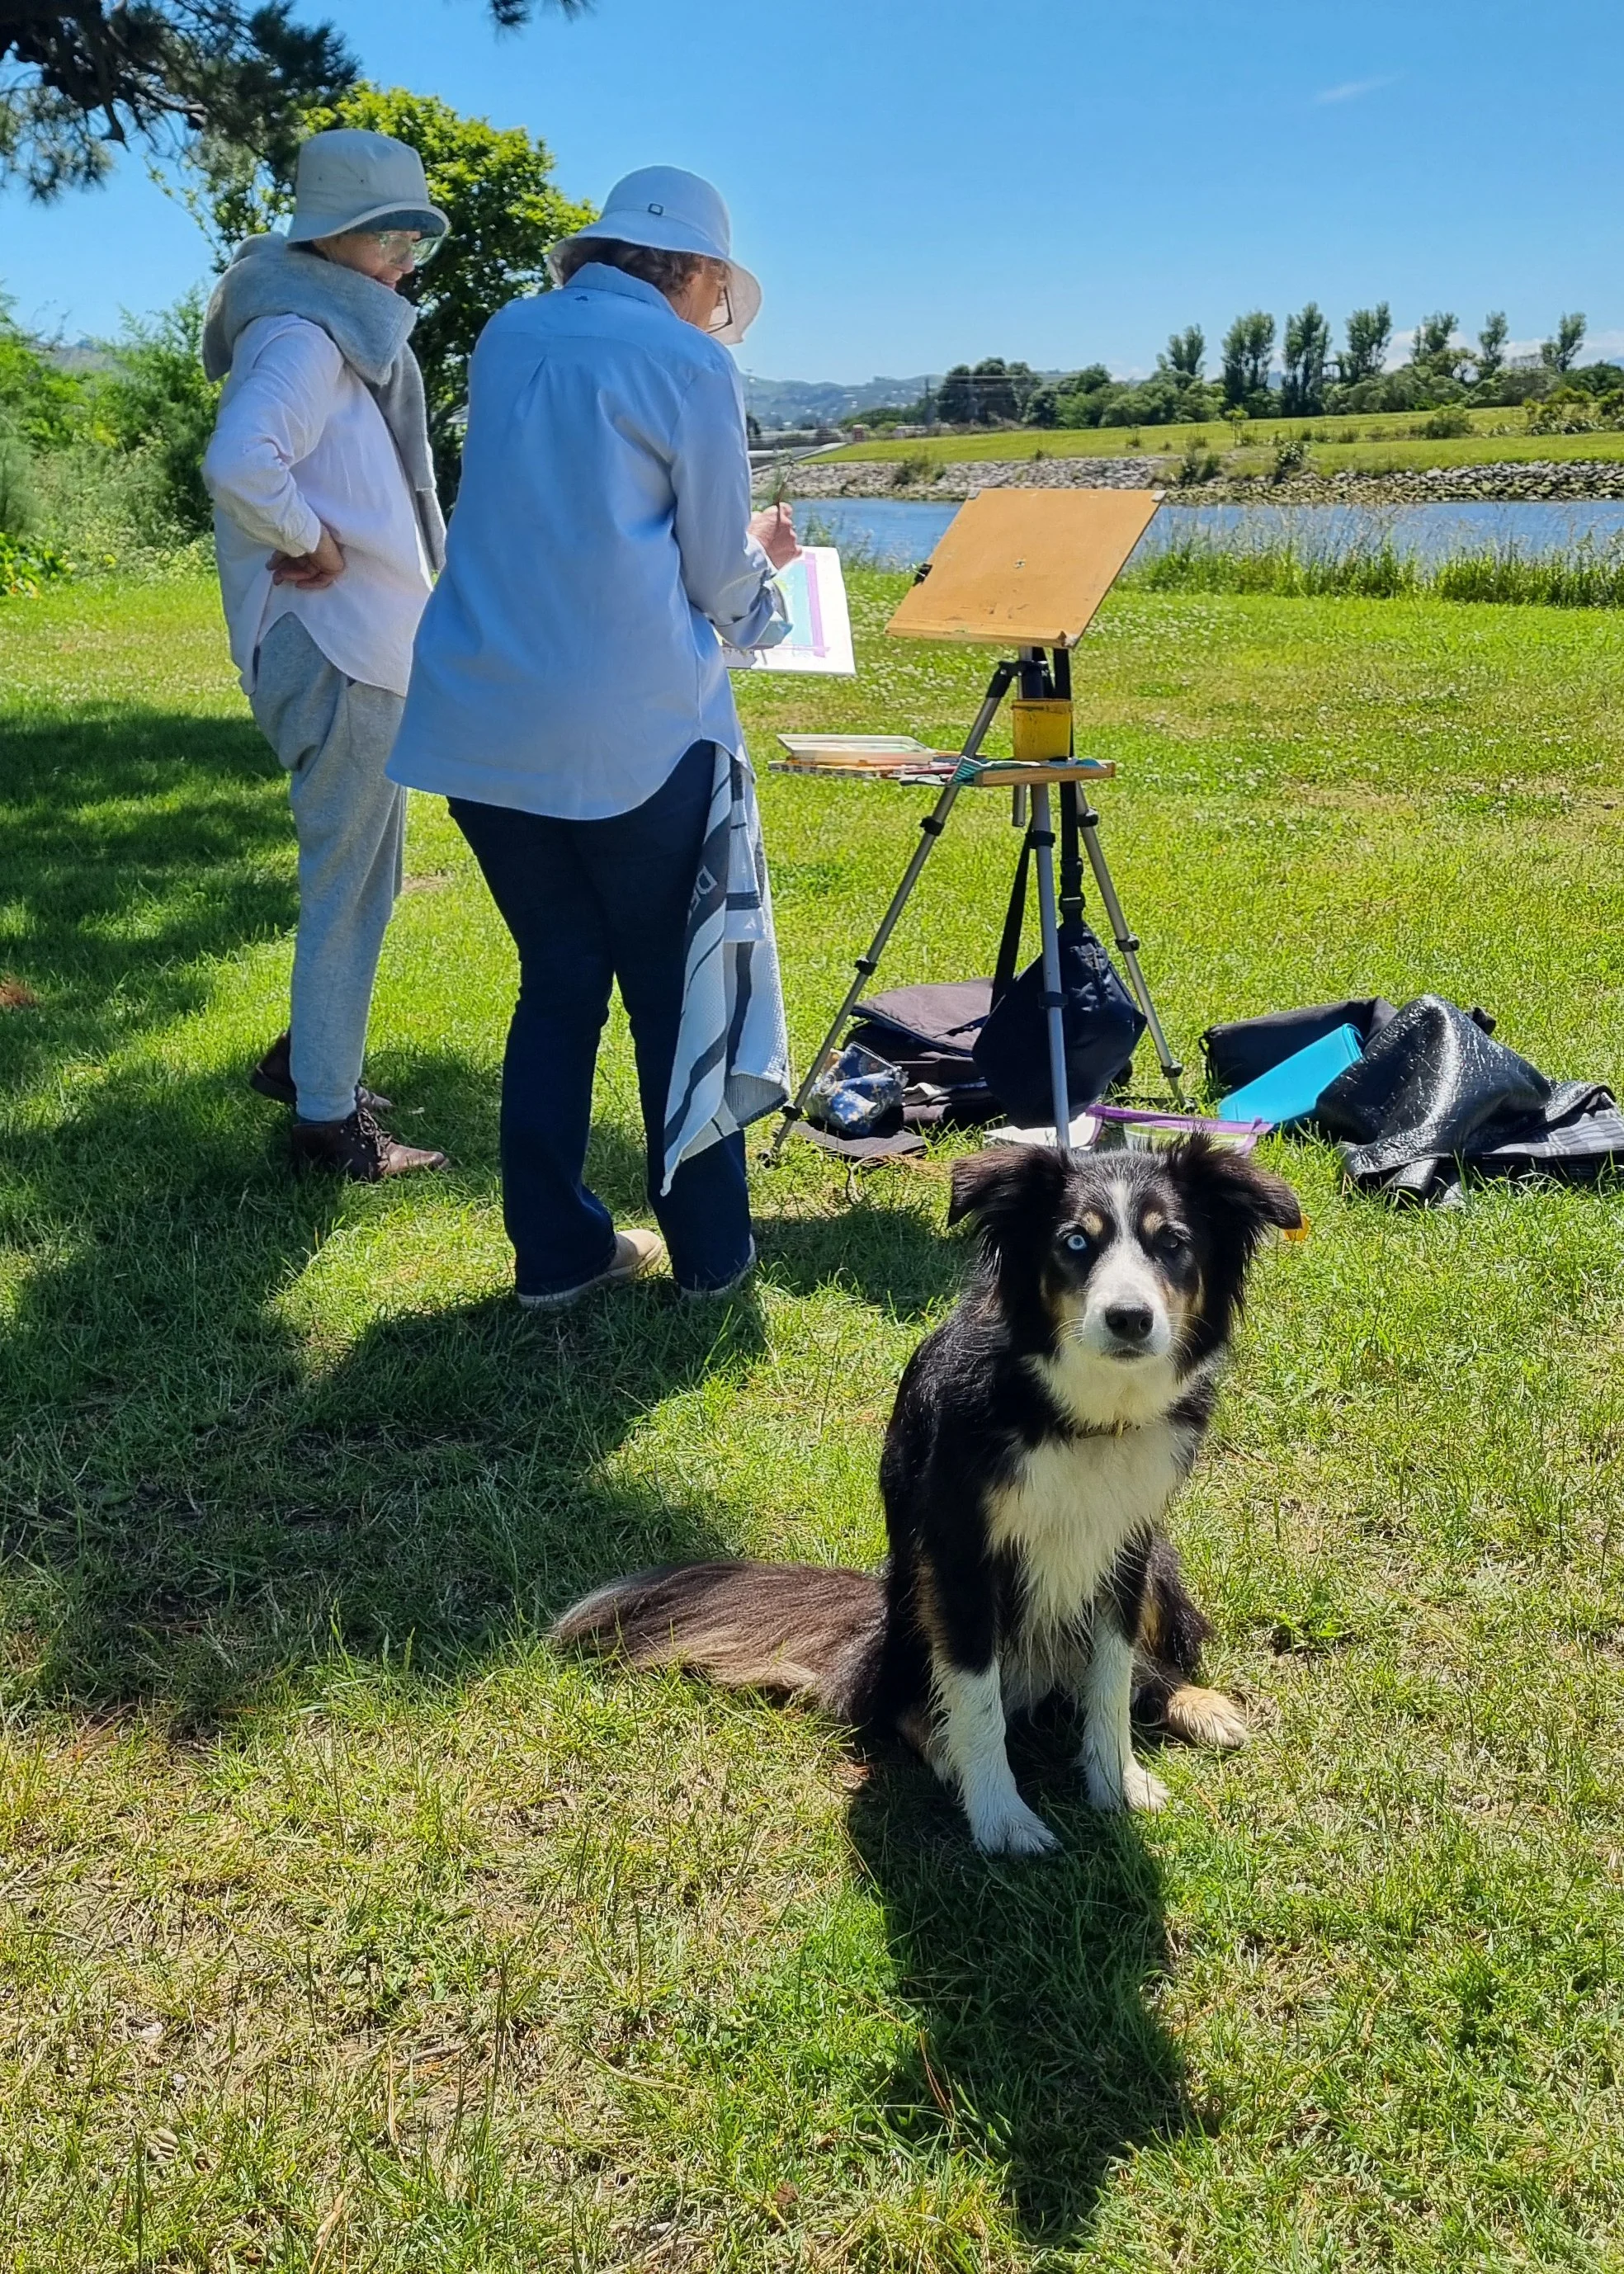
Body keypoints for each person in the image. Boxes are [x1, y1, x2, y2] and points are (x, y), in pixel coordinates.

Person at [387, 167, 799, 1307]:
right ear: (699, 272)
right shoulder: (691, 362)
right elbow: (720, 571)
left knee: (558, 980)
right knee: (675, 992)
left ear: (602, 251)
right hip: (627, 731)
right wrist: (773, 565)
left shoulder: (512, 335)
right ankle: (713, 1256)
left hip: (481, 714)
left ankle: (557, 1256)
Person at [201, 126, 449, 1181]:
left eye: (417, 237)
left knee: (369, 876)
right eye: (389, 233)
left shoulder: (324, 327)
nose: (404, 254)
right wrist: (313, 538)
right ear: (331, 235)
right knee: (349, 883)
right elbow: (239, 459)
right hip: (338, 648)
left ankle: (315, 1060)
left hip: (358, 649)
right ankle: (324, 1120)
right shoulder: (304, 333)